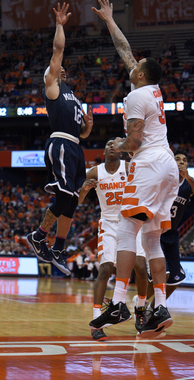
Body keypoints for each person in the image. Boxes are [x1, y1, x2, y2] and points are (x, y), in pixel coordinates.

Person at [89, 0, 179, 338]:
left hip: (150, 163)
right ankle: (159, 308)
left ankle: (120, 302)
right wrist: (110, 20)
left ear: (139, 74)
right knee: (153, 238)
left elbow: (136, 142)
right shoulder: (152, 89)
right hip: (168, 164)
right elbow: (125, 51)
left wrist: (116, 147)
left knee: (127, 230)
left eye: (135, 65)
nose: (131, 64)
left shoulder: (135, 97)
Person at [27, 3, 93, 275]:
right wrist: (60, 24)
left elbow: (82, 134)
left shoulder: (73, 97)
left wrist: (88, 127)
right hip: (61, 144)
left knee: (73, 202)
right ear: (50, 76)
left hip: (76, 148)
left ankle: (58, 248)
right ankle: (39, 236)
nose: (61, 68)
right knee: (65, 197)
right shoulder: (52, 87)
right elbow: (58, 51)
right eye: (56, 68)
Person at [140, 148, 194, 318]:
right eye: (177, 159)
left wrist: (189, 178)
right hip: (155, 232)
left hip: (172, 234)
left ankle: (152, 306)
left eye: (184, 160)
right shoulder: (164, 179)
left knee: (177, 279)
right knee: (164, 273)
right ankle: (142, 302)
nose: (181, 162)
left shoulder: (190, 183)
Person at [79, 138, 129, 341]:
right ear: (104, 150)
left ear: (122, 150)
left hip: (129, 222)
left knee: (140, 268)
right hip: (108, 223)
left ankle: (139, 310)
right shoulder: (94, 172)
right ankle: (96, 320)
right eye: (107, 143)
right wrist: (84, 190)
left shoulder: (129, 167)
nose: (111, 146)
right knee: (105, 269)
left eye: (115, 144)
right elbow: (77, 200)